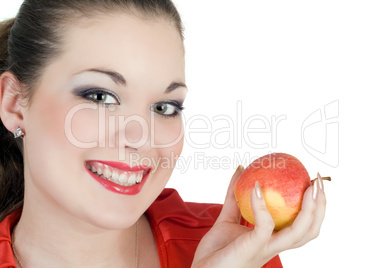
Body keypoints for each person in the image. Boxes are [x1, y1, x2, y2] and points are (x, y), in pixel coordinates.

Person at [0, 0, 326, 267]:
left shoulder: (236, 251)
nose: (141, 138)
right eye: (100, 97)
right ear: (14, 104)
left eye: (164, 107)